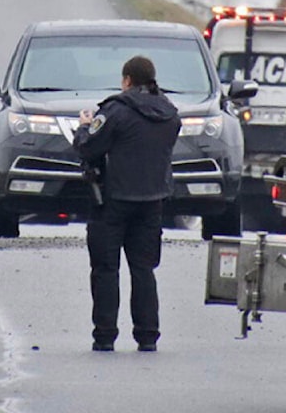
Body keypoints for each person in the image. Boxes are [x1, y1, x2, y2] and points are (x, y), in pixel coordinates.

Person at [72, 55, 180, 353]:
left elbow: (88, 147)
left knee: (106, 269)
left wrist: (84, 126)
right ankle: (148, 335)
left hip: (112, 200)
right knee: (144, 269)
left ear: (127, 81)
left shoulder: (115, 111)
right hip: (153, 200)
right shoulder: (170, 112)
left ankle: (105, 335)